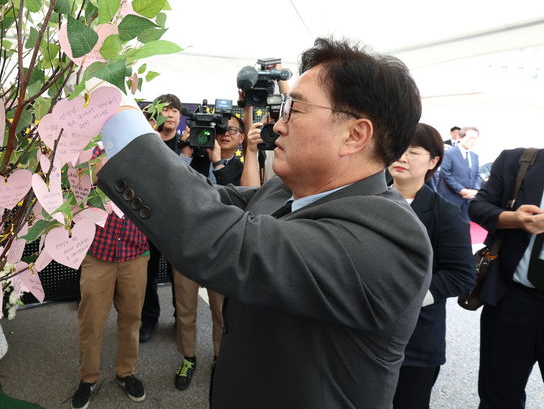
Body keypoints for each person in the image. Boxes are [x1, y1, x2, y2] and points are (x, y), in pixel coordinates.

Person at [97, 37, 432, 408]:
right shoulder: (281, 191)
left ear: (354, 135)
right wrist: (111, 154)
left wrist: (116, 114)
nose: (278, 125)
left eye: (294, 110)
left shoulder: (388, 238)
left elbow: (223, 242)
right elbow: (205, 199)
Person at [389, 123, 476, 409]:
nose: (401, 157)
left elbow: (461, 275)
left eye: (412, 152)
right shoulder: (364, 200)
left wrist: (409, 298)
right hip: (358, 335)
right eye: (398, 148)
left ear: (434, 161)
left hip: (415, 340)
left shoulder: (444, 213)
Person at [171, 114, 246, 390]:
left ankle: (219, 357)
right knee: (185, 307)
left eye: (233, 129)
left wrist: (218, 161)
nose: (225, 133)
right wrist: (188, 149)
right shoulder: (196, 160)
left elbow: (238, 200)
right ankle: (188, 357)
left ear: (241, 138)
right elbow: (175, 189)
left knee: (221, 311)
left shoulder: (242, 167)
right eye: (221, 128)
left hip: (223, 249)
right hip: (189, 246)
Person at [71, 148, 150, 409]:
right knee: (91, 320)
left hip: (135, 251)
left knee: (131, 317)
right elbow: (74, 193)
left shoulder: (144, 152)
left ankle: (126, 372)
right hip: (98, 252)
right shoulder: (88, 150)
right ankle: (88, 378)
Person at [469, 147, 544, 409]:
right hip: (511, 300)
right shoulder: (519, 161)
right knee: (498, 396)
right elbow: (478, 207)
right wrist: (513, 219)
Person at [138, 94, 180, 343]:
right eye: (166, 110)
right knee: (148, 275)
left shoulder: (188, 145)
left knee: (180, 277)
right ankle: (149, 320)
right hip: (149, 221)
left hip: (178, 223)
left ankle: (181, 319)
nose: (171, 114)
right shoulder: (147, 143)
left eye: (175, 110)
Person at [438, 126, 482, 221]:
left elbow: (477, 174)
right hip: (451, 197)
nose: (473, 141)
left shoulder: (475, 156)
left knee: (465, 227)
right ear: (461, 137)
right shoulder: (449, 153)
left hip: (468, 199)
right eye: (470, 138)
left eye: (475, 139)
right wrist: (461, 190)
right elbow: (445, 173)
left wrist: (475, 190)